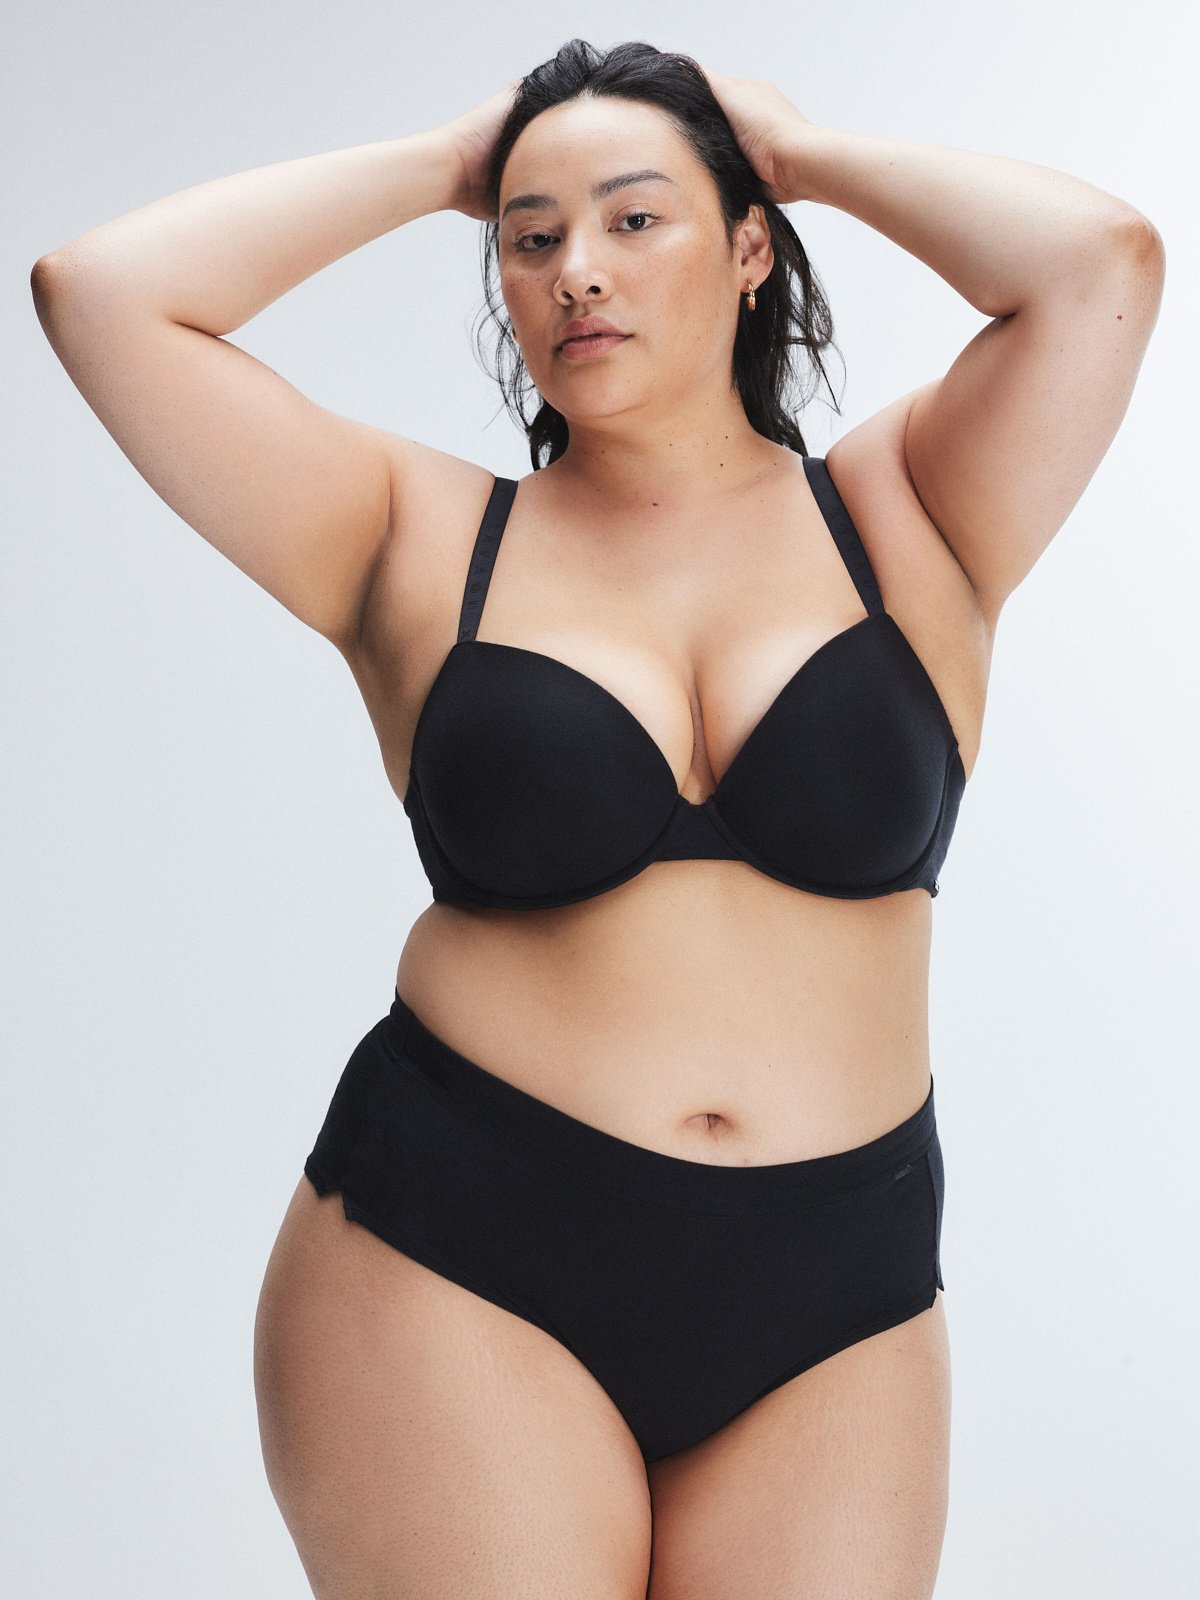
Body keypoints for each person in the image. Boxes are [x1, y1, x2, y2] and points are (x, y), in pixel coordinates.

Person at [31, 36, 1164, 1600]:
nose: (576, 269)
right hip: (460, 1256)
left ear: (752, 247)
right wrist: (445, 162)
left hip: (839, 1295)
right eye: (530, 235)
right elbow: (101, 293)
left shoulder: (911, 508)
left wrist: (801, 150)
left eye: (635, 218)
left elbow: (1101, 265)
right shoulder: (413, 537)